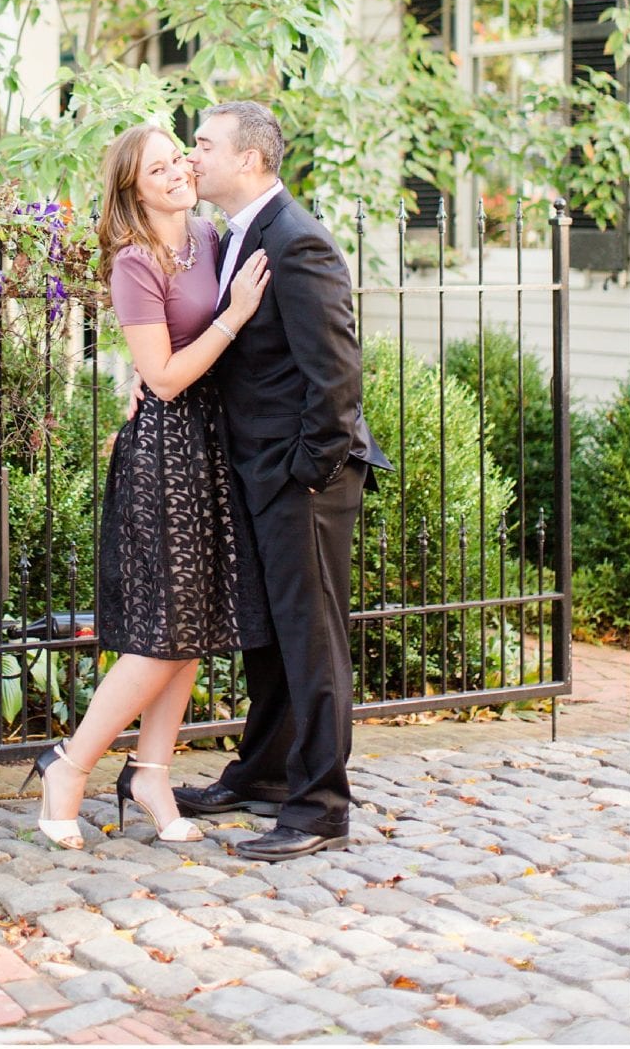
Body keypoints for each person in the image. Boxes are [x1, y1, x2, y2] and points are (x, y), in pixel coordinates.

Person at [22, 122, 272, 848]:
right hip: (163, 451)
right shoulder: (134, 262)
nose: (175, 173)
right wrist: (231, 320)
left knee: (190, 630)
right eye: (157, 168)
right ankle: (69, 766)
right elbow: (161, 378)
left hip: (211, 445)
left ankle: (152, 771)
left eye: (178, 160)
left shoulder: (213, 238)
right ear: (132, 187)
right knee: (161, 634)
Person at [170, 100, 392, 860]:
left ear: (251, 159)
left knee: (311, 638)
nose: (189, 155)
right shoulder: (232, 237)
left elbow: (335, 375)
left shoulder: (298, 243)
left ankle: (321, 806)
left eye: (202, 143)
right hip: (254, 470)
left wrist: (309, 471)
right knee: (268, 634)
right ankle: (262, 774)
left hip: (302, 480)